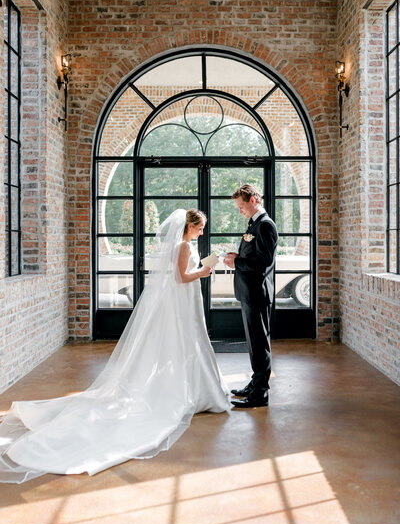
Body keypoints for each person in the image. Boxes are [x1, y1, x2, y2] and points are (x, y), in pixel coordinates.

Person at [0, 209, 230, 483]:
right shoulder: (182, 245)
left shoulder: (185, 244)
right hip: (181, 299)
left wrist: (199, 269)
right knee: (184, 342)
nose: (202, 232)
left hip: (183, 301)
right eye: (200, 228)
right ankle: (190, 390)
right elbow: (181, 277)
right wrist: (202, 272)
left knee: (189, 343)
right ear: (190, 226)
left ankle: (196, 387)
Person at [224, 184, 278, 408]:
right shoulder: (254, 224)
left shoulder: (265, 225)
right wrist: (238, 255)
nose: (240, 211)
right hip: (249, 291)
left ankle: (260, 394)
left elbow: (263, 262)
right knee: (254, 343)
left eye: (241, 206)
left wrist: (236, 262)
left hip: (257, 292)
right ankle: (255, 384)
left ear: (253, 201)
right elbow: (253, 254)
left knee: (259, 343)